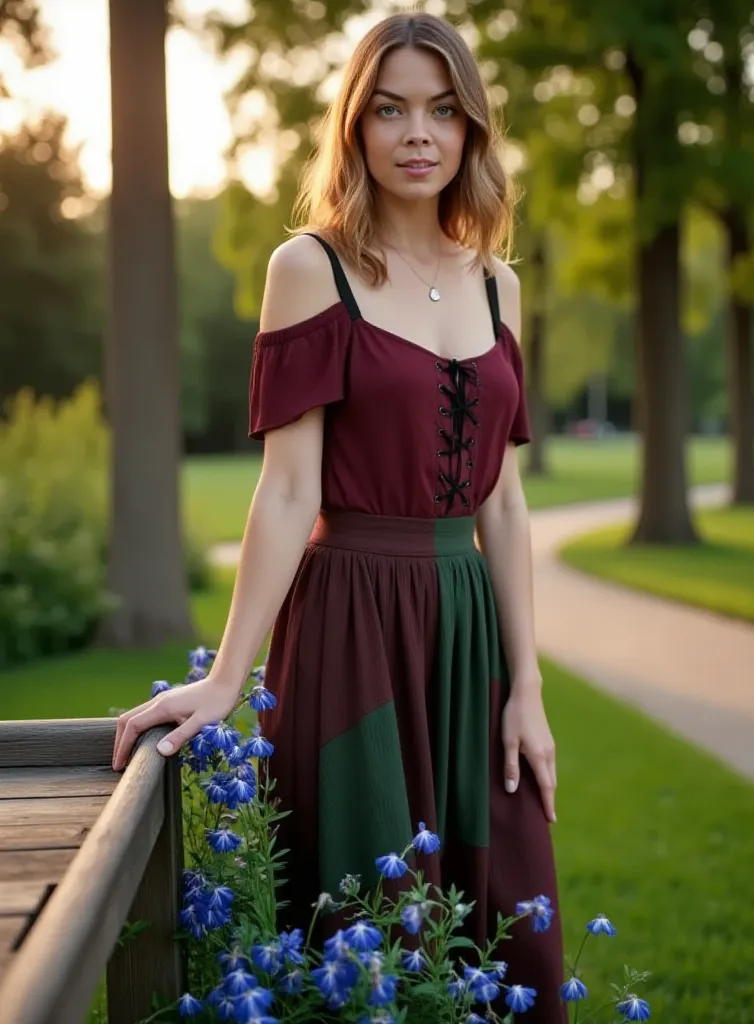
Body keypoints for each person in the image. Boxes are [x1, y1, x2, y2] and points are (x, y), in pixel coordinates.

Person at [112, 11, 565, 1019]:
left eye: (442, 111)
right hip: (351, 620)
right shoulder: (309, 268)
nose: (418, 134)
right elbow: (286, 488)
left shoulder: (500, 285)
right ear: (355, 129)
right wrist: (228, 676)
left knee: (496, 918)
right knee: (366, 915)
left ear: (471, 130)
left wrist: (525, 686)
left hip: (468, 634)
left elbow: (499, 496)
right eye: (391, 110)